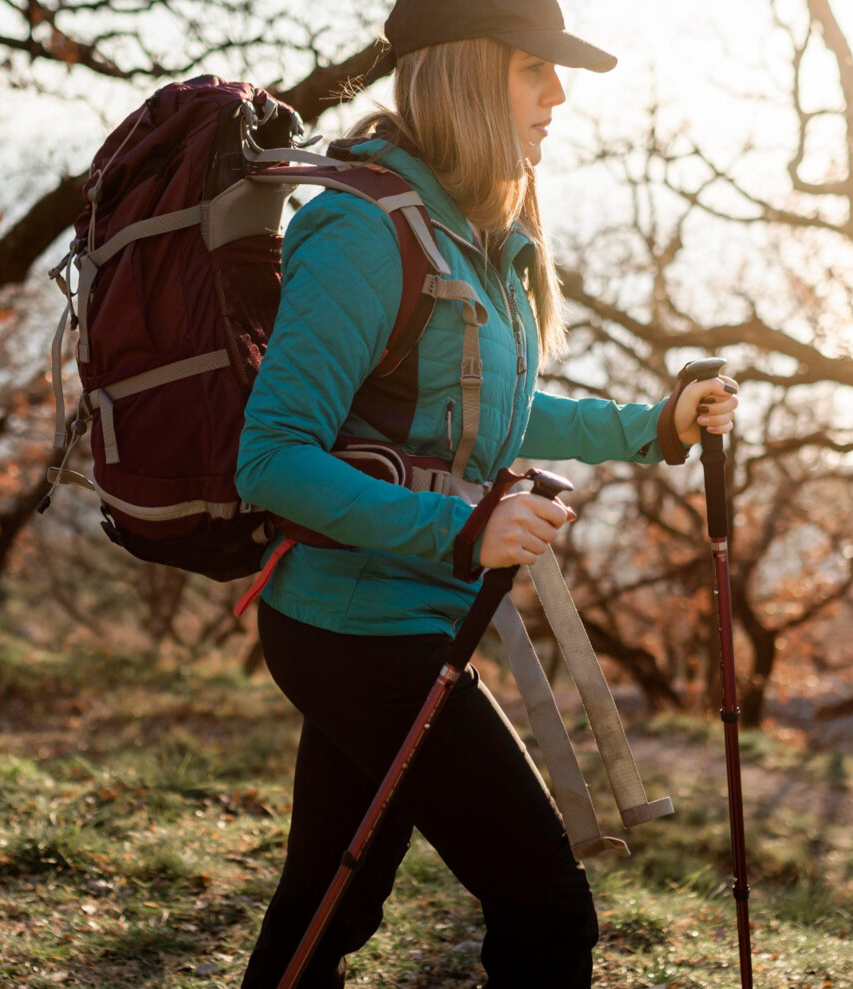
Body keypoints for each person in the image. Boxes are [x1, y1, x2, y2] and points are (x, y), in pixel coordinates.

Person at [234, 1, 739, 985]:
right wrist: (465, 528)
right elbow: (274, 458)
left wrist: (653, 425)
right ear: (466, 73)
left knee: (329, 904)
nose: (559, 93)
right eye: (531, 70)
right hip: (354, 626)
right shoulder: (364, 230)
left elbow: (496, 409)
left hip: (405, 616)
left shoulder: (467, 232)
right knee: (546, 909)